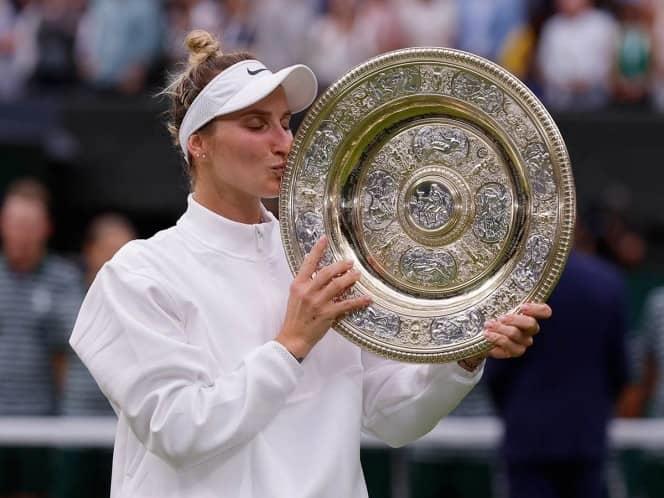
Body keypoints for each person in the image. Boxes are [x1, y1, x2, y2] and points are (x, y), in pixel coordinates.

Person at [69, 29, 551, 498]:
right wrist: (291, 344)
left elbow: (394, 418)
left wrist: (465, 354)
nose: (283, 141)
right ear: (198, 142)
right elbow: (177, 431)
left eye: (284, 122)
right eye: (256, 125)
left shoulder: (329, 256)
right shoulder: (137, 274)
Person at [486, 249, 629, 498]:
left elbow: (499, 369)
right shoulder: (608, 282)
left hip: (527, 436)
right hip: (586, 436)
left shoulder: (519, 285)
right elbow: (618, 367)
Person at [0, 178, 84, 498]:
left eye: (29, 225)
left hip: (43, 421)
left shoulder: (64, 279)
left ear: (45, 228)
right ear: (3, 224)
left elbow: (72, 347)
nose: (21, 233)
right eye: (15, 223)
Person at [53, 214, 137, 498]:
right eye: (109, 250)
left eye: (124, 250)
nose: (116, 259)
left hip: (125, 429)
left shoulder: (144, 303)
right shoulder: (66, 294)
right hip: (74, 426)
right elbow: (57, 360)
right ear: (90, 250)